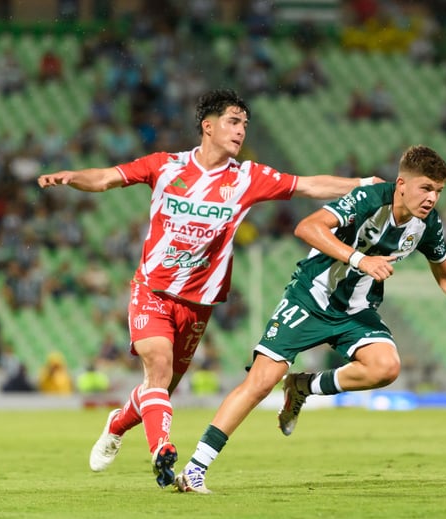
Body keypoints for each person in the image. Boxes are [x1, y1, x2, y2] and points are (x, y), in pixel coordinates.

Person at [37, 88, 379, 489]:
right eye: (234, 122)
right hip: (152, 291)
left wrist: (362, 184)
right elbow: (107, 178)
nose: (240, 131)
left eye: (245, 125)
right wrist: (73, 177)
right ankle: (162, 450)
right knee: (158, 370)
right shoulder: (165, 166)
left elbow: (308, 185)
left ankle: (117, 423)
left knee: (159, 389)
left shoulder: (248, 178)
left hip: (198, 305)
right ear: (208, 126)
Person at [173, 145, 446, 494]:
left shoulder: (427, 224)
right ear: (401, 183)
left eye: (439, 191)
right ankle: (195, 469)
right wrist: (361, 260)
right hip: (311, 297)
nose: (432, 198)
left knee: (385, 367)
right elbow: (307, 227)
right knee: (260, 382)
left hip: (356, 310)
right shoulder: (369, 199)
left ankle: (302, 386)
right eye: (426, 188)